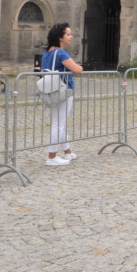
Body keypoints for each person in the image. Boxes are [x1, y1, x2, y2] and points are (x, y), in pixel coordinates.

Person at [42, 22, 83, 166]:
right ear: (60, 37)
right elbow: (77, 69)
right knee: (58, 123)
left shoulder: (47, 53)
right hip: (63, 90)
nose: (71, 37)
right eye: (68, 34)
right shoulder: (60, 53)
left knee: (59, 121)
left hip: (51, 91)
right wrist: (80, 67)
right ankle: (52, 156)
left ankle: (68, 152)